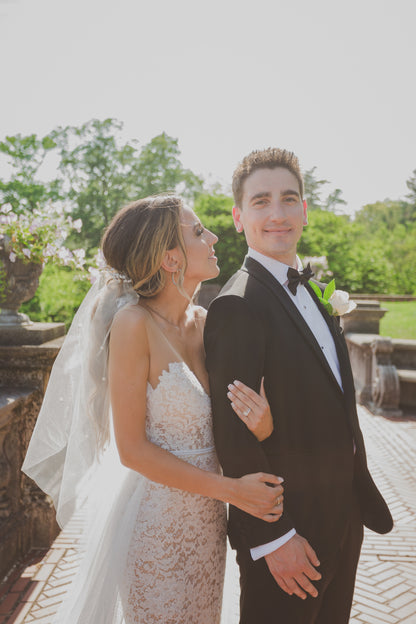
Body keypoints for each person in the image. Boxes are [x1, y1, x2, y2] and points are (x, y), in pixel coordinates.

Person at [22, 194, 284, 623]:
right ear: (169, 259)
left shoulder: (208, 322)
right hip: (155, 527)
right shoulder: (133, 325)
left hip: (208, 526)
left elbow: (228, 422)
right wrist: (232, 491)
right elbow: (132, 450)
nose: (214, 236)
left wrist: (263, 423)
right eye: (198, 232)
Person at [204, 148, 393, 624]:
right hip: (290, 537)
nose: (278, 214)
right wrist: (275, 538)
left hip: (342, 517)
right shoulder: (237, 306)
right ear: (238, 216)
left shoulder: (308, 287)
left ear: (305, 209)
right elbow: (235, 440)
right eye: (261, 201)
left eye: (289, 199)